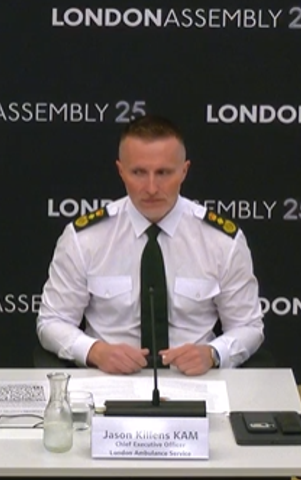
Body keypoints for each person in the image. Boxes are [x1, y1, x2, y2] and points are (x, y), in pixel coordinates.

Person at [37, 115, 263, 377]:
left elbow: (248, 326)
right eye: (139, 172)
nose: (152, 187)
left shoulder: (222, 241)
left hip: (198, 384)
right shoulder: (84, 238)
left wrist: (213, 354)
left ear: (184, 171)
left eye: (164, 172)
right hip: (106, 381)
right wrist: (96, 352)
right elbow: (52, 322)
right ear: (121, 171)